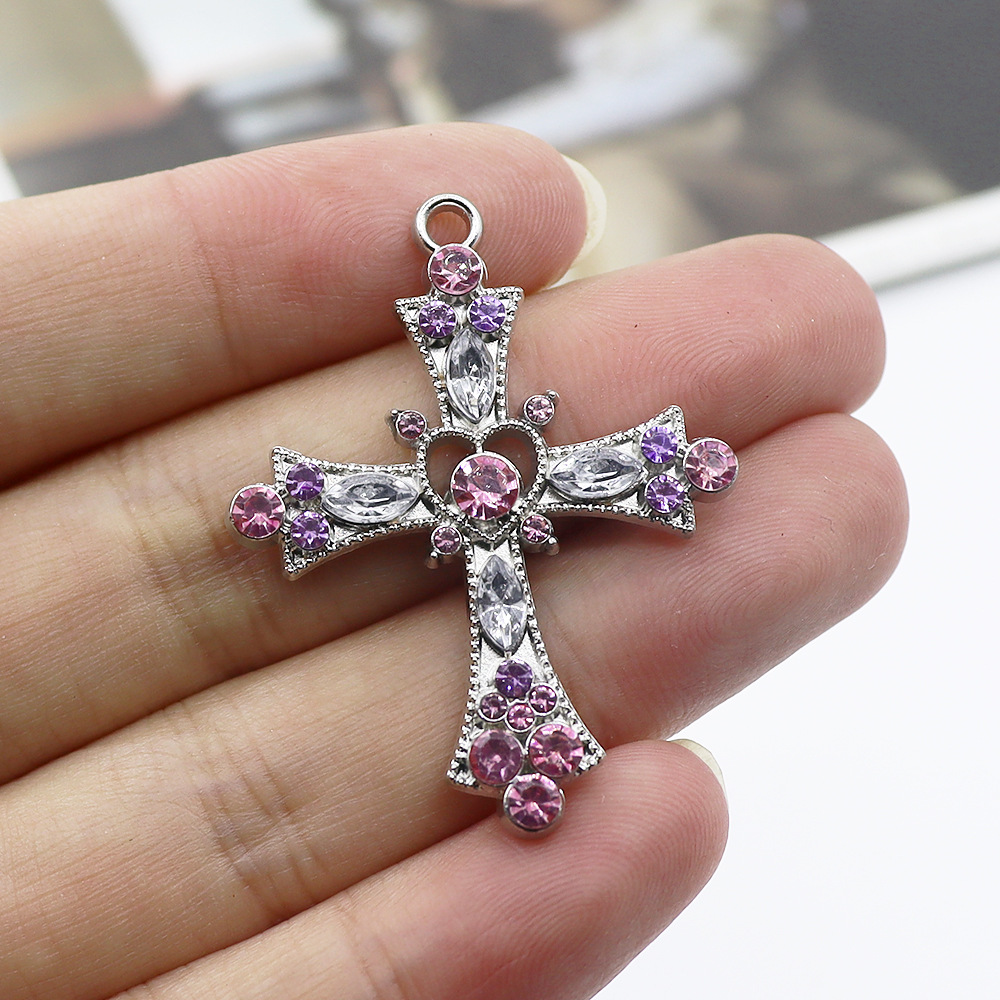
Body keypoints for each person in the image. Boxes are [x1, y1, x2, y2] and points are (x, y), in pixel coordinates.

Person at [0, 122, 905, 998]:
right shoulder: (446, 478)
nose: (484, 483)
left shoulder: (524, 467)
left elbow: (678, 464)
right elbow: (290, 507)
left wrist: (660, 471)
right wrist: (298, 509)